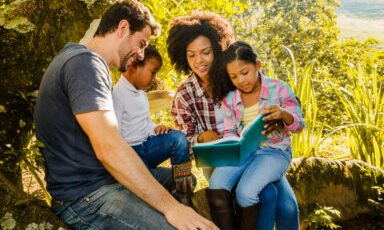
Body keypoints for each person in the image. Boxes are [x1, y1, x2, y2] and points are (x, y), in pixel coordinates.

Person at [34, 1, 217, 229]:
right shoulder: (85, 64)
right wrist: (172, 208)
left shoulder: (80, 59)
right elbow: (109, 146)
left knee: (184, 180)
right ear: (122, 28)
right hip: (86, 196)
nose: (140, 53)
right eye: (141, 43)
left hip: (104, 179)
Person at [167, 12, 300, 230]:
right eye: (191, 55)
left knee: (288, 208)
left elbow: (277, 98)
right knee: (266, 194)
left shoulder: (235, 77)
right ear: (183, 57)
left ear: (218, 49)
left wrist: (280, 117)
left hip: (259, 152)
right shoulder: (185, 95)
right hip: (221, 160)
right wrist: (201, 137)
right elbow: (183, 140)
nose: (199, 61)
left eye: (206, 52)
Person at [208, 41, 305, 229]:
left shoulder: (279, 88)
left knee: (246, 193)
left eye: (245, 73)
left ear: (257, 66)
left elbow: (299, 125)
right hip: (244, 152)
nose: (241, 80)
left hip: (274, 153)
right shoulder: (231, 98)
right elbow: (229, 132)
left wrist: (284, 114)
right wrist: (228, 145)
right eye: (234, 77)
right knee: (217, 183)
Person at [112, 44, 195, 207]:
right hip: (132, 156)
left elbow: (144, 123)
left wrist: (155, 128)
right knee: (161, 183)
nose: (155, 78)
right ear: (134, 65)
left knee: (178, 139)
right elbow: (114, 136)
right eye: (153, 72)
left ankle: (183, 195)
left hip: (148, 148)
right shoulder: (117, 94)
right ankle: (145, 185)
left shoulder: (141, 94)